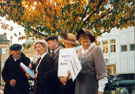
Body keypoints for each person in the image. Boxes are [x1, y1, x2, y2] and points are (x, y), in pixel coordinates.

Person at [75, 28, 108, 94]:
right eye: (83, 41)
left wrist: (100, 89)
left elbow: (101, 71)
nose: (85, 44)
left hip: (91, 84)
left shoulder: (96, 50)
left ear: (91, 40)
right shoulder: (79, 51)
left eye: (87, 41)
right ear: (80, 41)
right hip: (79, 84)